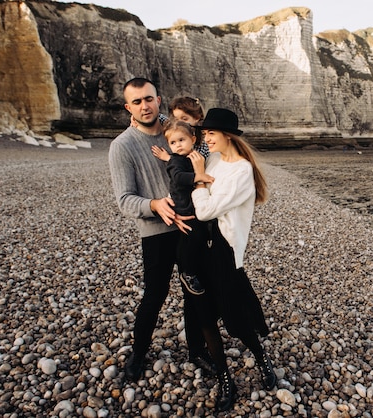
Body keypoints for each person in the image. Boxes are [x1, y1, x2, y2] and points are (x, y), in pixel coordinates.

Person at [108, 77, 215, 382]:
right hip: (156, 232)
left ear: (158, 100)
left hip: (190, 225)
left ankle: (198, 351)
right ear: (128, 107)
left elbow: (206, 141)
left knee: (195, 291)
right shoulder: (122, 146)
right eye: (137, 101)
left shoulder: (175, 128)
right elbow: (124, 200)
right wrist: (156, 206)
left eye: (149, 99)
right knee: (154, 295)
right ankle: (139, 353)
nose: (145, 106)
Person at [187, 108, 278, 412]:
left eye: (211, 133)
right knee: (205, 318)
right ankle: (225, 377)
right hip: (200, 247)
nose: (205, 138)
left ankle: (261, 357)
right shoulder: (212, 159)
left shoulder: (242, 172)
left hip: (223, 252)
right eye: (204, 133)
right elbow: (173, 127)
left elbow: (205, 211)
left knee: (235, 320)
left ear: (228, 135)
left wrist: (199, 181)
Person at [158, 119, 214, 295]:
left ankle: (195, 262)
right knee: (194, 235)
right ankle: (187, 272)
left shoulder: (192, 156)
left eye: (181, 140)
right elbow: (178, 177)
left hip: (192, 203)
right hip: (183, 206)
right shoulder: (176, 161)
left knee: (197, 235)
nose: (178, 145)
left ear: (193, 139)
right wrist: (199, 177)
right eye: (172, 143)